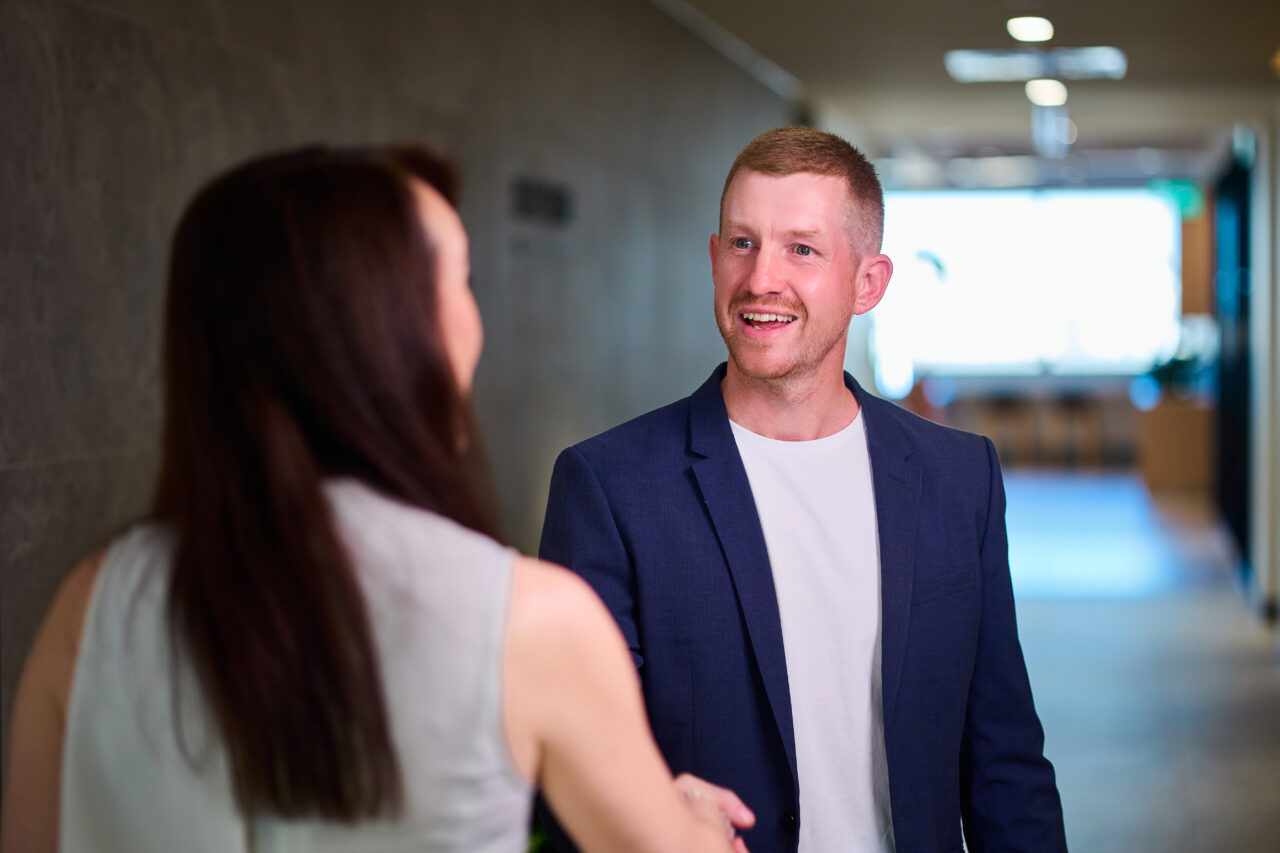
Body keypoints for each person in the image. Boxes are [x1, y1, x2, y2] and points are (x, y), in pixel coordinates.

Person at [0, 145, 755, 853]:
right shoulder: (528, 619)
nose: (475, 322)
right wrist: (685, 819)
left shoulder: (89, 603)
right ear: (394, 332)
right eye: (463, 280)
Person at [539, 127, 1068, 853]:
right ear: (713, 256)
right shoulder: (610, 487)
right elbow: (574, 765)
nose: (761, 279)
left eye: (802, 249)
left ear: (868, 283)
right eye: (742, 243)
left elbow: (1005, 761)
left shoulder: (958, 478)